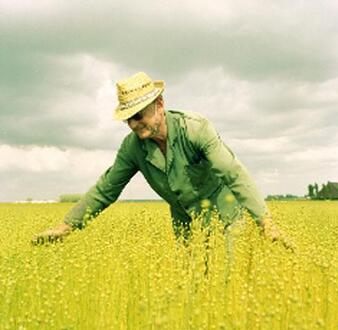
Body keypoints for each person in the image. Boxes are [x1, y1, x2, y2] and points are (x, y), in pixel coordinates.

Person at [32, 71, 290, 250]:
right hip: (184, 224)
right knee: (192, 288)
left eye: (138, 115)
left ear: (159, 104)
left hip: (224, 217)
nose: (133, 124)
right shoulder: (132, 148)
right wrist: (66, 226)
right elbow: (106, 189)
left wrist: (265, 223)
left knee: (227, 288)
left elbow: (233, 173)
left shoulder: (195, 129)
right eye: (128, 119)